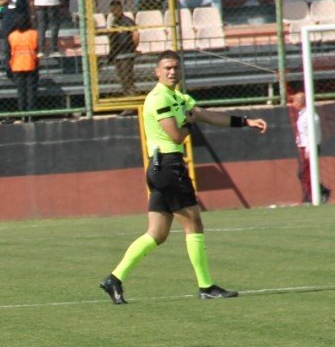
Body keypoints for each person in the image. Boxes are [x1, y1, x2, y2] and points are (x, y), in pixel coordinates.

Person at [99, 51, 268, 305]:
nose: (172, 72)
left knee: (157, 234)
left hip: (161, 169)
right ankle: (206, 285)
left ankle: (115, 278)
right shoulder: (158, 98)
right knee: (194, 225)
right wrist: (190, 123)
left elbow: (207, 114)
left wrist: (245, 121)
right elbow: (177, 136)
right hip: (168, 167)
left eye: (176, 68)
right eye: (167, 68)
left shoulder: (178, 97)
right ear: (156, 72)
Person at [288, 91, 331, 204]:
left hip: (309, 148)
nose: (292, 104)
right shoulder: (303, 114)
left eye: (294, 101)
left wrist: (309, 148)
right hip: (304, 147)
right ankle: (315, 193)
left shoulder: (310, 115)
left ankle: (316, 194)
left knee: (305, 173)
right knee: (304, 173)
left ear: (300, 102)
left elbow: (314, 133)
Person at [8, 15, 40, 116]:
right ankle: (32, 112)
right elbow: (37, 48)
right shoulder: (34, 34)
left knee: (21, 90)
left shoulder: (12, 36)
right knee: (31, 89)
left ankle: (22, 113)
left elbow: (10, 50)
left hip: (16, 65)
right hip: (30, 63)